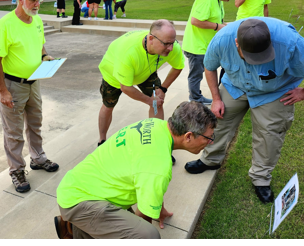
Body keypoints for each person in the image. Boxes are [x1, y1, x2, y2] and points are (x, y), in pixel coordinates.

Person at [183, 17, 304, 203]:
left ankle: (261, 178)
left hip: (275, 91)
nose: (257, 62)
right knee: (217, 121)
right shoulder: (221, 39)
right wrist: (216, 98)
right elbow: (209, 67)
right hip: (235, 85)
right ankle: (210, 159)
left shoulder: (289, 41)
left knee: (269, 134)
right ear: (237, 44)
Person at [54, 102, 216, 239]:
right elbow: (143, 220)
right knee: (148, 235)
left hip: (80, 185)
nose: (210, 142)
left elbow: (147, 178)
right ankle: (73, 223)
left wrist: (156, 206)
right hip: (80, 199)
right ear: (188, 136)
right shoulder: (158, 165)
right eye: (208, 138)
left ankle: (72, 225)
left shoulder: (155, 125)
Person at [0, 0, 60, 194]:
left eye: (39, 1)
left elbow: (40, 44)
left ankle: (38, 158)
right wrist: (3, 90)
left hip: (34, 82)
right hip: (13, 85)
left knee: (35, 122)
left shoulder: (36, 20)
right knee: (13, 132)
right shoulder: (6, 25)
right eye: (33, 1)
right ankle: (16, 170)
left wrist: (45, 56)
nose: (37, 5)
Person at [97, 20, 184, 146]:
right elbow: (126, 87)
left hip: (146, 71)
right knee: (108, 105)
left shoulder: (171, 46)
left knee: (157, 102)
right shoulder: (128, 53)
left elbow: (178, 66)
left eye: (172, 42)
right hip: (114, 75)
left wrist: (163, 88)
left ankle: (157, 141)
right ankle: (102, 140)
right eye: (166, 44)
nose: (170, 48)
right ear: (150, 39)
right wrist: (149, 100)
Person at [182, 0, 242, 105]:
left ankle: (198, 97)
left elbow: (215, 20)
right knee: (196, 75)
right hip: (196, 46)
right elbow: (195, 21)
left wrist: (224, 25)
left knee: (206, 71)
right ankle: (194, 99)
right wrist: (217, 27)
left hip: (205, 45)